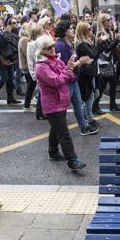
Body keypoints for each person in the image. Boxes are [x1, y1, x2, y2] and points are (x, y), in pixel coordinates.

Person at [34, 34, 87, 172]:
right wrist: (68, 70)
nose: (53, 48)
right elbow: (56, 81)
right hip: (53, 104)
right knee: (64, 134)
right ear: (41, 51)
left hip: (60, 101)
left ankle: (53, 152)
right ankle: (72, 160)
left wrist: (69, 69)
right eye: (48, 47)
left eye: (53, 45)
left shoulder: (56, 61)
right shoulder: (41, 67)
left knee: (56, 128)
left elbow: (68, 76)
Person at [0, 14, 20, 105]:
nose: (1, 21)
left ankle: (10, 98)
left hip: (7, 56)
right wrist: (6, 32)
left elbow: (9, 42)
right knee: (5, 77)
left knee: (11, 78)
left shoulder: (1, 31)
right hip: (0, 58)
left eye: (1, 19)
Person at [95, 13, 120, 112]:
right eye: (108, 20)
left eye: (111, 19)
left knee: (113, 84)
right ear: (103, 22)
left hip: (109, 63)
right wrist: (116, 41)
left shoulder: (109, 32)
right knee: (104, 86)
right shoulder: (101, 34)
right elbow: (107, 49)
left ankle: (112, 105)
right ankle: (96, 106)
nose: (111, 21)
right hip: (103, 63)